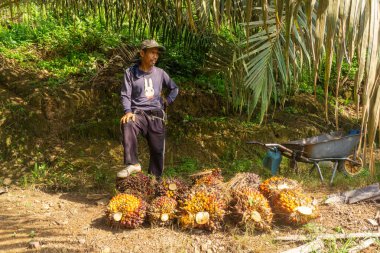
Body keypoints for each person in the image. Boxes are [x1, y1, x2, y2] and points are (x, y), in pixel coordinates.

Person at [117, 39, 179, 179]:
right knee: (128, 122)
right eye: (152, 52)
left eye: (157, 53)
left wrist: (167, 102)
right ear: (142, 53)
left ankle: (154, 183)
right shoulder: (130, 73)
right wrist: (128, 111)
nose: (155, 56)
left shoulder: (161, 73)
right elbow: (125, 94)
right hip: (138, 114)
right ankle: (133, 163)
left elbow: (174, 88)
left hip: (156, 116)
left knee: (157, 152)